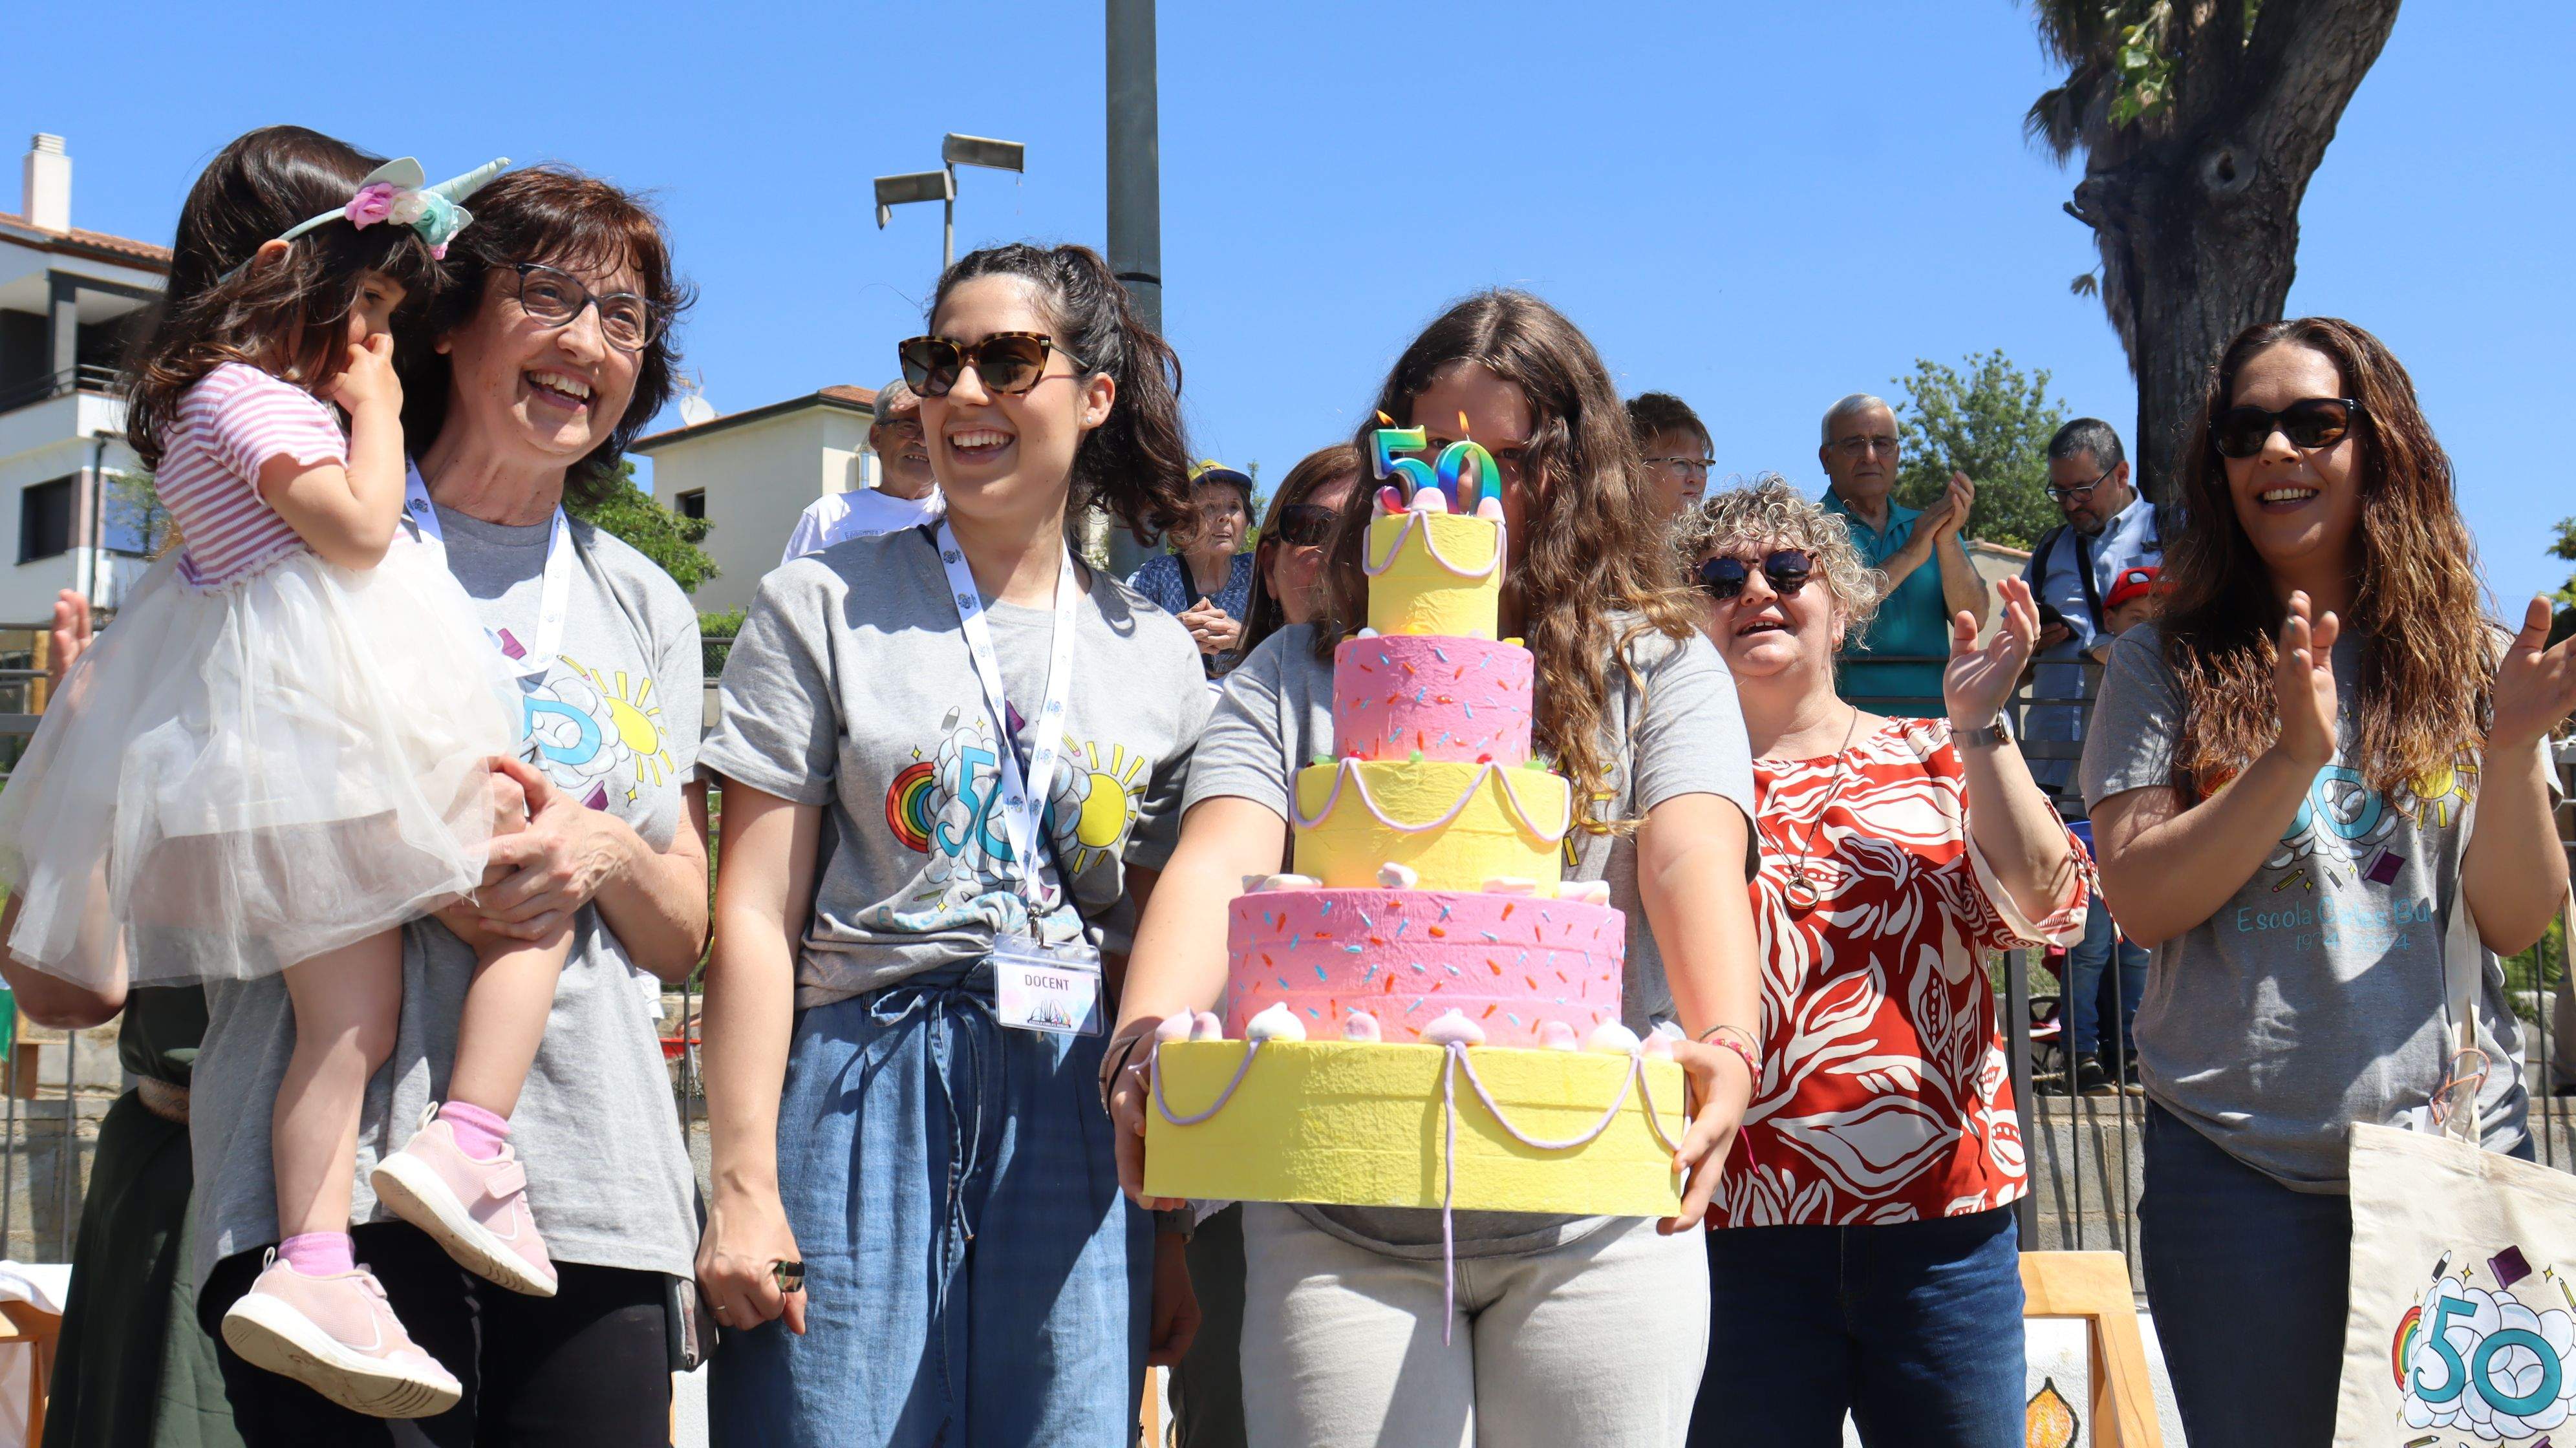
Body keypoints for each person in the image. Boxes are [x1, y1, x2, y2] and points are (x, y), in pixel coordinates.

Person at [1108, 289, 1763, 1448]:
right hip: (1336, 1218)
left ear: (1577, 468)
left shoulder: (1660, 667)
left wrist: (1726, 1038)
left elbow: (1686, 851)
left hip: (1598, 1213)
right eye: (1431, 458)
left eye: (1511, 462)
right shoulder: (1294, 676)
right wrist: (1145, 1030)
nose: (1471, 497)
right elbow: (1217, 862)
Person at [0, 127, 588, 1416]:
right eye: (365, 303)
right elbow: (362, 530)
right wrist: (375, 409)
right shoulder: (254, 400)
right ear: (284, 271)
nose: (374, 335)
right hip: (328, 738)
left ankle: (323, 1252)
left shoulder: (197, 406)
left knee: (353, 1019)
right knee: (534, 875)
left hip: (293, 741)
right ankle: (467, 1144)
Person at [189, 162, 711, 1445]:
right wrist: (420, 845)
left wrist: (593, 845)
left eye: (626, 319)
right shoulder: (314, 525)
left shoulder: (645, 601)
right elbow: (198, 818)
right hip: (332, 1218)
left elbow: (682, 926)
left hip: (586, 1195)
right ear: (446, 317)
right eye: (548, 297)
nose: (589, 343)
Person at [696, 242, 1211, 1446]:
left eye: (1006, 360)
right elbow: (755, 917)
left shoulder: (1160, 658)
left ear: (1091, 394)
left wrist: (1170, 1228)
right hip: (858, 1090)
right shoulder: (818, 605)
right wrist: (741, 1185)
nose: (963, 394)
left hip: (1075, 1111)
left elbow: (1158, 956)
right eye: (939, 362)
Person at [2082, 317, 2576, 1448]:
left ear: (2377, 446)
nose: (2274, 452)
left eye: (2312, 423)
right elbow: (2141, 900)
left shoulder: (2466, 660)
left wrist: (2506, 751)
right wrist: (2286, 760)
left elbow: (2508, 919)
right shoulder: (2160, 663)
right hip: (2234, 1170)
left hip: (2457, 1157)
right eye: (2242, 430)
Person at [1674, 479, 2088, 1445]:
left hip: (1942, 1233)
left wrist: (1982, 726)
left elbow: (2049, 909)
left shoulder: (1937, 752)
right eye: (1721, 577)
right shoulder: (1669, 794)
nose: (1756, 594)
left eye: (1786, 570)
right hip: (1733, 1236)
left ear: (1847, 602)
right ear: (1688, 613)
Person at [0, 591, 241, 1448]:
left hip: (377, 1197)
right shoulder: (171, 649)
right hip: (177, 1188)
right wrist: (83, 759)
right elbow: (63, 990)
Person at [1170, 439, 1358, 1448]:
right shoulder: (1222, 706)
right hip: (1244, 1147)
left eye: (1356, 529)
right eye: (1308, 531)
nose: (1328, 555)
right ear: (1272, 554)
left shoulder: (1442, 711)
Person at [1818, 393, 1988, 715]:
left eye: (1882, 443)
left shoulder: (1929, 526)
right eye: (1854, 444)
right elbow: (1832, 618)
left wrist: (1947, 540)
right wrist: (1911, 552)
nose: (1870, 456)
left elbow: (1974, 619)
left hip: (1934, 724)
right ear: (1826, 459)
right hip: (1843, 726)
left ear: (1897, 454)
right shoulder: (1804, 530)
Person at [2021, 418, 2163, 797]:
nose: (2070, 504)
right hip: (2049, 763)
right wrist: (2026, 649)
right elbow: (2011, 666)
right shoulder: (2049, 549)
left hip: (2144, 764)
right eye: (2060, 491)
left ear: (2120, 474)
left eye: (2082, 490)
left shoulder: (2174, 535)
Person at [779, 376, 940, 561]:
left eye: (932, 430)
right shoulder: (827, 515)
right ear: (877, 437)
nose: (922, 440)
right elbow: (794, 587)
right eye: (908, 427)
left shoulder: (961, 514)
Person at [1128, 460, 1256, 673]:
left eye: (1234, 506)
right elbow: (1121, 643)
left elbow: (1292, 645)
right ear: (1183, 521)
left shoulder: (1257, 573)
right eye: (1210, 507)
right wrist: (1173, 633)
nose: (1225, 517)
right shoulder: (1156, 576)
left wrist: (1243, 637)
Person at [1627, 390, 1713, 520]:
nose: (1695, 478)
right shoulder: (1598, 538)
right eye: (1681, 463)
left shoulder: (1722, 538)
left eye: (1701, 466)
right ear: (1635, 468)